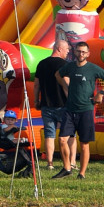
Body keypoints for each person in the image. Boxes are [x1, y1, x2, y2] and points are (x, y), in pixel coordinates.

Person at [53, 41, 104, 180]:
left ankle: (82, 173)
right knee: (62, 140)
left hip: (86, 110)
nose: (81, 54)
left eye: (83, 52)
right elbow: (58, 75)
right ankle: (67, 168)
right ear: (74, 52)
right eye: (78, 51)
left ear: (88, 54)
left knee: (84, 144)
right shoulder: (69, 67)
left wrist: (101, 93)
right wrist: (65, 86)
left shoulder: (93, 68)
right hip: (70, 109)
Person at [34, 39, 69, 169]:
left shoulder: (41, 64)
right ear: (59, 49)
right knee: (68, 134)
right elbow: (67, 83)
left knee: (49, 134)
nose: (67, 52)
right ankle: (70, 162)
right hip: (63, 104)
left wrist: (36, 100)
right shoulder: (65, 64)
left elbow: (36, 84)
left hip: (46, 104)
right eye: (66, 49)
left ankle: (50, 163)